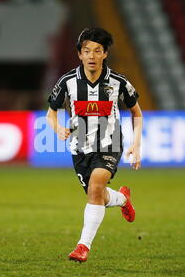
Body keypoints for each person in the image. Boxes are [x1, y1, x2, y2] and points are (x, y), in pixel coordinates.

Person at [46, 28, 143, 262]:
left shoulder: (118, 82)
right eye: (86, 50)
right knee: (96, 193)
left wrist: (136, 144)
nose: (91, 55)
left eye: (97, 51)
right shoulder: (67, 82)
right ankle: (122, 199)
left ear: (105, 54)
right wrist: (58, 127)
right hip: (79, 148)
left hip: (111, 143)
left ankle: (82, 247)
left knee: (96, 184)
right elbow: (51, 113)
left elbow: (136, 113)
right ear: (79, 54)